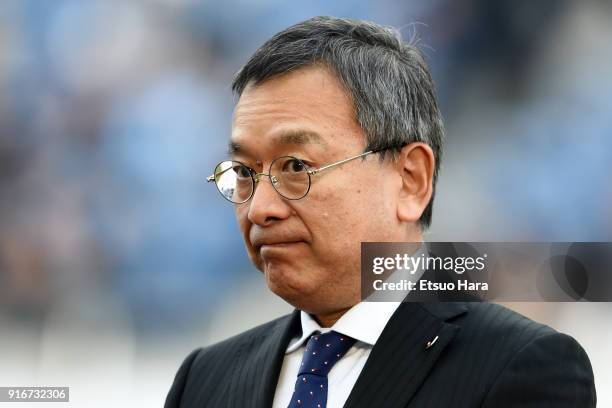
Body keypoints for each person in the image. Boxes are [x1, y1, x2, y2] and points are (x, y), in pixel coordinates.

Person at [165, 16, 596, 408]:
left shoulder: (520, 366)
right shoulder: (203, 381)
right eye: (244, 172)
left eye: (296, 167)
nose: (259, 208)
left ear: (411, 179)